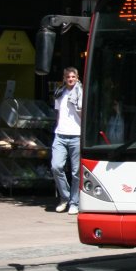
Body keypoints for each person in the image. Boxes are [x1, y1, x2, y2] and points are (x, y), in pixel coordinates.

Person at [51, 67, 82, 214]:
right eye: (68, 77)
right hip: (60, 135)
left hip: (76, 135)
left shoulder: (81, 92)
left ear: (77, 77)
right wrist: (57, 127)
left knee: (76, 172)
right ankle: (65, 197)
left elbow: (84, 116)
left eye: (73, 77)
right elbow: (58, 114)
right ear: (64, 78)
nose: (70, 79)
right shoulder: (59, 93)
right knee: (56, 166)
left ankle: (74, 202)